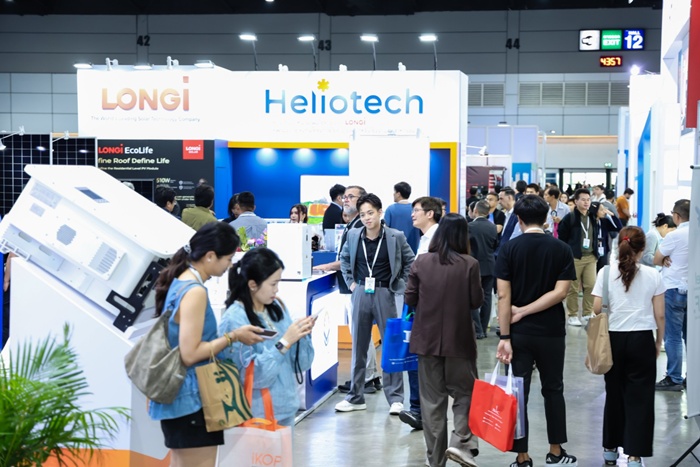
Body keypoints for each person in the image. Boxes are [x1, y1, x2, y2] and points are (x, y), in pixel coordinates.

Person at [147, 222, 264, 467]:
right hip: (191, 398)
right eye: (228, 259)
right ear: (210, 256)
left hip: (181, 398)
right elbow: (190, 353)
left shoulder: (180, 282)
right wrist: (233, 336)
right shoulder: (195, 292)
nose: (229, 265)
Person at [495, 195, 577, 467]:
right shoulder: (561, 249)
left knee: (518, 393)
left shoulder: (508, 249)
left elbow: (503, 296)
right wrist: (527, 310)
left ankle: (522, 457)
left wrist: (505, 335)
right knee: (554, 389)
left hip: (517, 334)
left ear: (518, 219)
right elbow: (561, 292)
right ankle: (556, 451)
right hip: (552, 331)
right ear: (546, 219)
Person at [406, 213, 483, 467]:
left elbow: (409, 298)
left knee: (432, 402)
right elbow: (476, 301)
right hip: (460, 341)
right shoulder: (470, 264)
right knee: (466, 394)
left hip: (426, 341)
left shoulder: (421, 261)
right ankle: (460, 444)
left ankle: (435, 460)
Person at [591, 226, 665, 467]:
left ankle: (610, 450)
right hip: (642, 339)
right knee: (640, 398)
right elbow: (660, 315)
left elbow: (596, 308)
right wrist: (658, 342)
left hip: (612, 339)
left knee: (613, 394)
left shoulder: (605, 272)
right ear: (642, 249)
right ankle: (634, 455)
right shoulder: (654, 275)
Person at [335, 193, 414, 415]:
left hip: (385, 293)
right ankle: (355, 397)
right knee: (359, 347)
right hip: (360, 291)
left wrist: (399, 284)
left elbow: (410, 261)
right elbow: (344, 259)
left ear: (380, 212)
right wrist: (351, 284)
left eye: (370, 213)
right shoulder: (353, 235)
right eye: (363, 214)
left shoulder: (395, 236)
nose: (367, 218)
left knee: (390, 345)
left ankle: (395, 398)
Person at [220, 248, 315, 427]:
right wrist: (284, 342)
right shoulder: (235, 319)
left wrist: (301, 335)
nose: (276, 290)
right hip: (255, 417)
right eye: (273, 284)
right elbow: (253, 376)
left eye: (278, 282)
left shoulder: (276, 307)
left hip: (286, 410)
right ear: (252, 284)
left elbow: (302, 364)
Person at [314, 185, 381, 393]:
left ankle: (366, 378)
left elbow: (351, 258)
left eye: (351, 197)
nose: (345, 200)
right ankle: (370, 375)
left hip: (357, 287)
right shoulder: (353, 224)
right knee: (360, 333)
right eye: (345, 196)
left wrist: (327, 266)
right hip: (354, 287)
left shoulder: (360, 226)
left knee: (360, 334)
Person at [397, 196, 443, 431]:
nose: (412, 214)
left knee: (423, 359)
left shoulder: (437, 239)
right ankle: (418, 409)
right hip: (418, 306)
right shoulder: (424, 238)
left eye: (416, 210)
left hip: (427, 309)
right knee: (415, 356)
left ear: (430, 214)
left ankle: (422, 411)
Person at [558, 188, 620, 326]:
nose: (586, 202)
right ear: (576, 201)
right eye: (583, 200)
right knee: (573, 288)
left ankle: (587, 313)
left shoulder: (593, 217)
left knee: (591, 286)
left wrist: (609, 215)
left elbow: (616, 227)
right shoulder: (570, 218)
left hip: (591, 257)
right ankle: (573, 314)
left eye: (588, 200)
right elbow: (562, 238)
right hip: (575, 257)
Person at [654, 199, 690, 391]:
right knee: (692, 337)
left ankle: (674, 378)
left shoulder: (675, 236)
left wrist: (666, 258)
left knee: (673, 336)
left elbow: (656, 259)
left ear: (676, 216)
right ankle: (693, 377)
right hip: (694, 290)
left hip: (674, 288)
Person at [468, 200, 498, 339]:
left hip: (474, 266)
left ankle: (477, 329)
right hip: (490, 265)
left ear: (475, 211)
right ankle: (483, 329)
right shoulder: (493, 227)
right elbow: (495, 245)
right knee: (487, 297)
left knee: (473, 297)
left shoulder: (470, 226)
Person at [384, 181, 421, 254]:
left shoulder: (390, 209)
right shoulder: (416, 209)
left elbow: (385, 230)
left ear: (398, 194)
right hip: (413, 249)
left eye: (394, 192)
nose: (393, 194)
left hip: (395, 249)